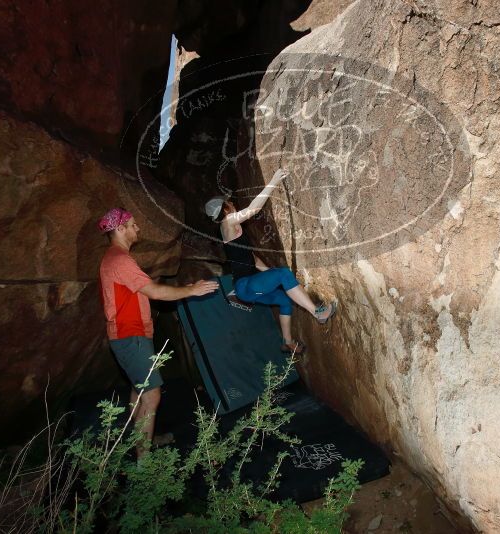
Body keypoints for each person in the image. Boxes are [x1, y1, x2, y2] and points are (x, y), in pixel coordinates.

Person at [97, 207, 218, 457]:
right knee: (151, 395)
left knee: (138, 389)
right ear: (120, 229)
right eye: (132, 224)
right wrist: (192, 290)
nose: (137, 228)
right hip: (131, 335)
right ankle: (144, 462)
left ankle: (142, 440)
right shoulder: (120, 260)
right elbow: (155, 291)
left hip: (128, 335)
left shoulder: (113, 258)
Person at [204, 169, 336, 354]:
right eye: (229, 202)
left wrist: (270, 276)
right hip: (245, 286)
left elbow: (253, 259)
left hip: (246, 289)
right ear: (225, 208)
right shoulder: (227, 222)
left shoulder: (230, 229)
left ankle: (288, 343)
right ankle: (318, 313)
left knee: (284, 300)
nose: (233, 203)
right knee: (283, 273)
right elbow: (253, 210)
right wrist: (272, 181)